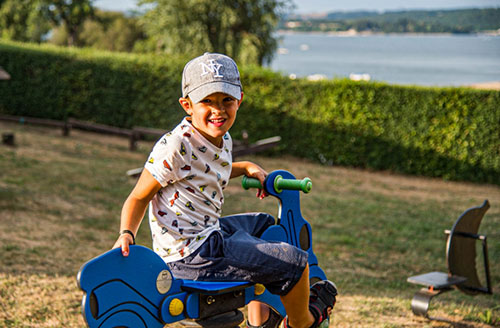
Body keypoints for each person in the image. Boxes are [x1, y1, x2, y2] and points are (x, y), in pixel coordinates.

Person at [112, 52, 337, 328]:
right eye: (207, 101)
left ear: (239, 100)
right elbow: (138, 196)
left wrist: (244, 166)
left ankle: (261, 319)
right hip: (193, 256)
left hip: (209, 234)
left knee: (266, 225)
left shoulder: (221, 137)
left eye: (226, 100)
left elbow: (207, 171)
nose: (218, 110)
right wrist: (126, 234)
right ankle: (303, 322)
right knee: (295, 261)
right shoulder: (176, 146)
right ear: (187, 105)